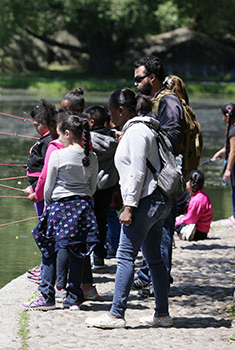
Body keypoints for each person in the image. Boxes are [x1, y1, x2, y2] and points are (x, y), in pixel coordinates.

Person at [86, 88, 173, 328]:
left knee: (125, 256)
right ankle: (162, 314)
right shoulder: (146, 127)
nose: (109, 115)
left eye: (112, 111)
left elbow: (136, 172)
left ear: (122, 110)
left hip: (144, 201)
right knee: (154, 258)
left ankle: (116, 314)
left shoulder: (136, 133)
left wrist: (129, 207)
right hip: (160, 200)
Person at [22, 111, 99, 310]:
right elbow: (92, 188)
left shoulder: (57, 155)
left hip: (59, 207)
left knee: (48, 249)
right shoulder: (91, 156)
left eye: (58, 134)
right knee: (78, 251)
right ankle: (73, 297)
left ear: (67, 133)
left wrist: (49, 203)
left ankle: (47, 294)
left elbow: (48, 187)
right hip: (83, 208)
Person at [131, 55, 184, 293]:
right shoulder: (157, 100)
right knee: (153, 227)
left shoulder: (169, 101)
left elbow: (172, 136)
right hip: (157, 174)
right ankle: (149, 274)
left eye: (139, 78)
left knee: (162, 228)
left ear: (152, 77)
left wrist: (145, 141)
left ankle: (159, 280)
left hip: (165, 176)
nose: (135, 83)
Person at [84, 105, 119, 269]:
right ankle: (99, 256)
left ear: (91, 122)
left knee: (86, 221)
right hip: (108, 185)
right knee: (102, 220)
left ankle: (87, 254)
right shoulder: (114, 140)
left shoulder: (87, 140)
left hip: (90, 186)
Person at [24, 99, 58, 217]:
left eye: (36, 125)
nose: (36, 129)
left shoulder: (49, 141)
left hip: (41, 189)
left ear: (46, 123)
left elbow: (47, 171)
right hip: (39, 189)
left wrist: (34, 188)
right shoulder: (46, 138)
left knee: (44, 218)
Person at [212, 103, 235, 225]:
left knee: (234, 189)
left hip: (234, 165)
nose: (222, 119)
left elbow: (233, 151)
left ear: (227, 116)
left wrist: (228, 169)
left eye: (223, 116)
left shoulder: (233, 131)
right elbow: (230, 148)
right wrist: (220, 152)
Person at [175, 170, 213, 241]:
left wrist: (177, 221)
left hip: (198, 232)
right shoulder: (203, 195)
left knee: (174, 224)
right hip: (204, 230)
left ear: (191, 183)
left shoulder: (196, 200)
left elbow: (190, 220)